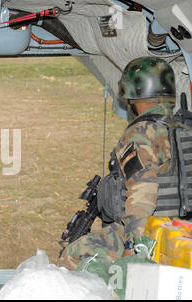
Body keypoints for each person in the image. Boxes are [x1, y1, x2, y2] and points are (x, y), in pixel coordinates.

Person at [58, 56, 182, 273]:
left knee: (72, 255)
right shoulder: (184, 128)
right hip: (182, 231)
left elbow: (143, 190)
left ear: (134, 94)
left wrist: (132, 247)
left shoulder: (140, 134)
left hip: (153, 232)